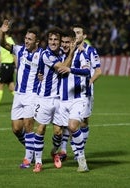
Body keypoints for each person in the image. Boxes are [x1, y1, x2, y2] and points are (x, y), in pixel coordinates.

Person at [0, 19, 43, 168]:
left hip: (32, 95)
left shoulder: (42, 55)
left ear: (37, 41)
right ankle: (31, 149)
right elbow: (2, 44)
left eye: (30, 39)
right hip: (18, 94)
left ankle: (27, 158)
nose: (26, 41)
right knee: (16, 128)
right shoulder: (20, 50)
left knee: (28, 126)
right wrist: (2, 33)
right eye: (25, 38)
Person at [32, 28, 76, 173]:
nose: (53, 42)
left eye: (56, 40)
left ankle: (53, 152)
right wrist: (72, 52)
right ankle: (38, 162)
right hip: (44, 98)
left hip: (58, 99)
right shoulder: (46, 54)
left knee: (58, 132)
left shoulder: (63, 54)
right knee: (41, 128)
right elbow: (63, 68)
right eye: (51, 39)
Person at [58, 24, 102, 161]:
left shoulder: (89, 51)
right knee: (68, 123)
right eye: (74, 33)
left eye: (78, 32)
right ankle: (65, 149)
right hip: (67, 91)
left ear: (84, 36)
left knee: (83, 122)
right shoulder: (65, 50)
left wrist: (90, 81)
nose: (76, 35)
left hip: (84, 90)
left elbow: (98, 71)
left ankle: (79, 148)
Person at [57, 29, 91, 172]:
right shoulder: (57, 54)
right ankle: (65, 152)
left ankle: (81, 160)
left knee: (72, 126)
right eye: (63, 42)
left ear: (73, 42)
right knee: (59, 132)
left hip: (78, 97)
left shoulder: (81, 53)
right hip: (61, 99)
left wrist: (71, 70)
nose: (64, 45)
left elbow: (87, 71)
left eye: (67, 42)